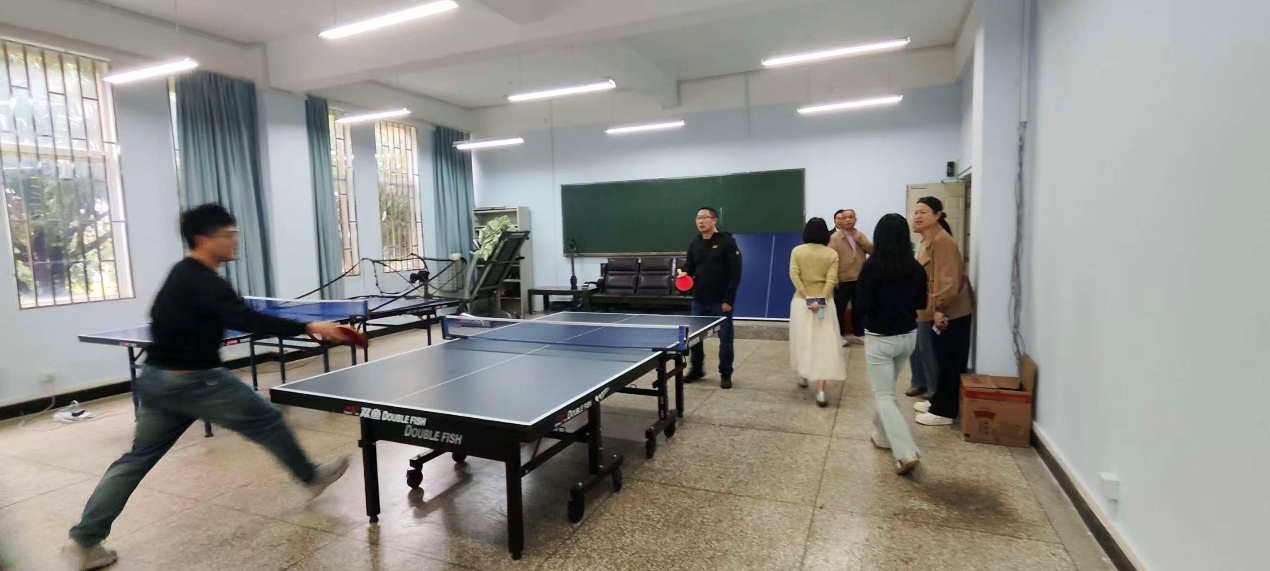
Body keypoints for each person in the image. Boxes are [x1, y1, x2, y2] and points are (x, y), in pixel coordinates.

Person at [63, 203, 352, 570]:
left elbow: (166, 318)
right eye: (228, 235)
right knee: (268, 419)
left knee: (135, 460)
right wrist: (310, 327)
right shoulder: (205, 281)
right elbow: (246, 319)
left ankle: (84, 543)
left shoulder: (180, 273)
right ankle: (310, 477)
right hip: (196, 380)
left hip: (157, 380)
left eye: (235, 234)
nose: (235, 241)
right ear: (203, 239)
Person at [855, 213, 927, 475]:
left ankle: (906, 452)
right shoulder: (915, 267)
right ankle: (882, 436)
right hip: (908, 337)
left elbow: (862, 304)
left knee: (883, 395)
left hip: (880, 339)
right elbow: (921, 303)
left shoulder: (872, 267)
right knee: (886, 390)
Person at [909, 197, 975, 426]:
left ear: (938, 215)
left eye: (923, 212)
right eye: (916, 212)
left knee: (949, 361)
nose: (917, 216)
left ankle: (944, 412)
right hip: (939, 309)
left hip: (950, 311)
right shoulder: (929, 239)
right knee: (939, 358)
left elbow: (949, 282)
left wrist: (939, 309)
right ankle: (938, 401)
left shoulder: (942, 240)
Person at [678, 206, 742, 389]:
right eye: (698, 218)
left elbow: (735, 273)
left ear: (714, 220)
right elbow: (689, 266)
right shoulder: (694, 244)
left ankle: (726, 373)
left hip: (720, 300)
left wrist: (729, 299)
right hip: (699, 299)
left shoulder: (727, 242)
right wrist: (684, 274)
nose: (700, 221)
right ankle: (697, 369)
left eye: (704, 217)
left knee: (725, 339)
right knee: (695, 338)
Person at [787, 217, 848, 407]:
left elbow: (794, 274)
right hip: (824, 304)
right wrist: (821, 299)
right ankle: (821, 391)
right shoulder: (831, 254)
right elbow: (831, 280)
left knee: (802, 340)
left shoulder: (797, 251)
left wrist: (807, 297)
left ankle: (803, 374)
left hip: (801, 303)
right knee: (824, 344)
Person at [828, 209, 873, 346]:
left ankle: (859, 334)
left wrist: (862, 241)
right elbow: (830, 259)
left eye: (851, 217)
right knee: (839, 309)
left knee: (859, 308)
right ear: (840, 220)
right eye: (845, 217)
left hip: (859, 279)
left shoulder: (860, 235)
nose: (848, 220)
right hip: (842, 280)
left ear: (855, 220)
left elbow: (873, 251)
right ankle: (840, 335)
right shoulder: (834, 238)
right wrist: (834, 279)